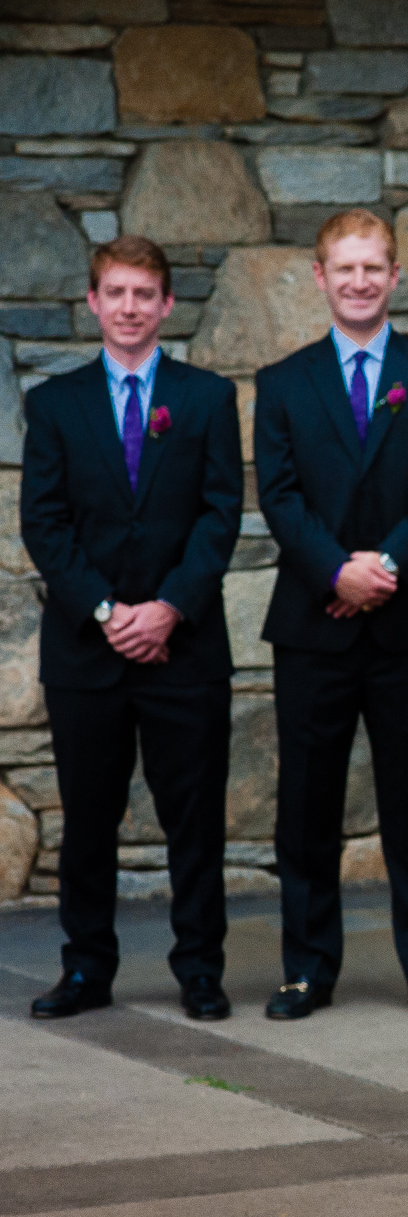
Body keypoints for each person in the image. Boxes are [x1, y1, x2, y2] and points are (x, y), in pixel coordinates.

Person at [252, 209, 408, 1021]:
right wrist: (334, 570)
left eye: (372, 268)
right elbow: (277, 494)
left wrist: (382, 567)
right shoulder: (282, 382)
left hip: (407, 620)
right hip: (313, 625)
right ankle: (306, 970)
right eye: (343, 269)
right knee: (307, 807)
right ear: (319, 278)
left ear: (393, 276)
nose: (358, 281)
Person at [20, 236, 243, 1021]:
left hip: (185, 646)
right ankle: (86, 969)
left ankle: (200, 969)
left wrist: (169, 608)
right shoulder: (53, 404)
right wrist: (112, 613)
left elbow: (221, 518)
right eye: (114, 292)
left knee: (195, 818)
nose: (128, 307)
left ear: (166, 305)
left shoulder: (208, 398)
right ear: (92, 302)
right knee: (88, 818)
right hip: (89, 650)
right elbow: (44, 526)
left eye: (144, 294)